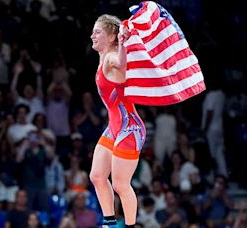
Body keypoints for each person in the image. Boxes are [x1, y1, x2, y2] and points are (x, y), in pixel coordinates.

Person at [88, 14, 146, 228]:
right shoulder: (104, 57)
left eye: (97, 32)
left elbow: (122, 64)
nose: (92, 35)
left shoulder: (112, 56)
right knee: (97, 176)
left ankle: (130, 226)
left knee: (121, 185)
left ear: (112, 36)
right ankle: (110, 223)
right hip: (115, 126)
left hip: (129, 128)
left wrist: (123, 43)